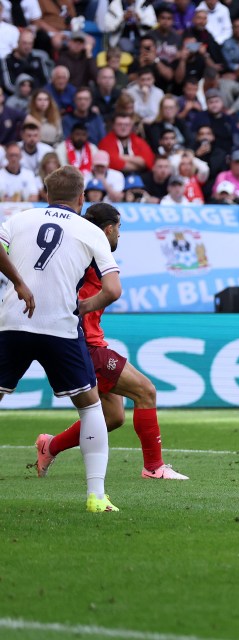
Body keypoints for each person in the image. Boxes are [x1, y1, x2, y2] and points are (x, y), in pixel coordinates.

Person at [0, 166, 122, 512]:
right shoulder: (90, 230)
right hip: (60, 328)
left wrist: (20, 284)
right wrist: (84, 306)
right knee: (90, 406)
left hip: (13, 321)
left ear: (46, 192)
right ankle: (96, 496)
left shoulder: (20, 218)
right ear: (82, 198)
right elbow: (113, 289)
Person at [37, 203, 188, 480]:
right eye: (118, 228)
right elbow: (112, 290)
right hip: (84, 343)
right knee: (146, 392)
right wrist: (81, 308)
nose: (120, 234)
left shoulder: (76, 246)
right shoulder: (95, 250)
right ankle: (153, 467)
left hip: (88, 339)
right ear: (108, 229)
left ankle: (51, 445)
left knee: (113, 416)